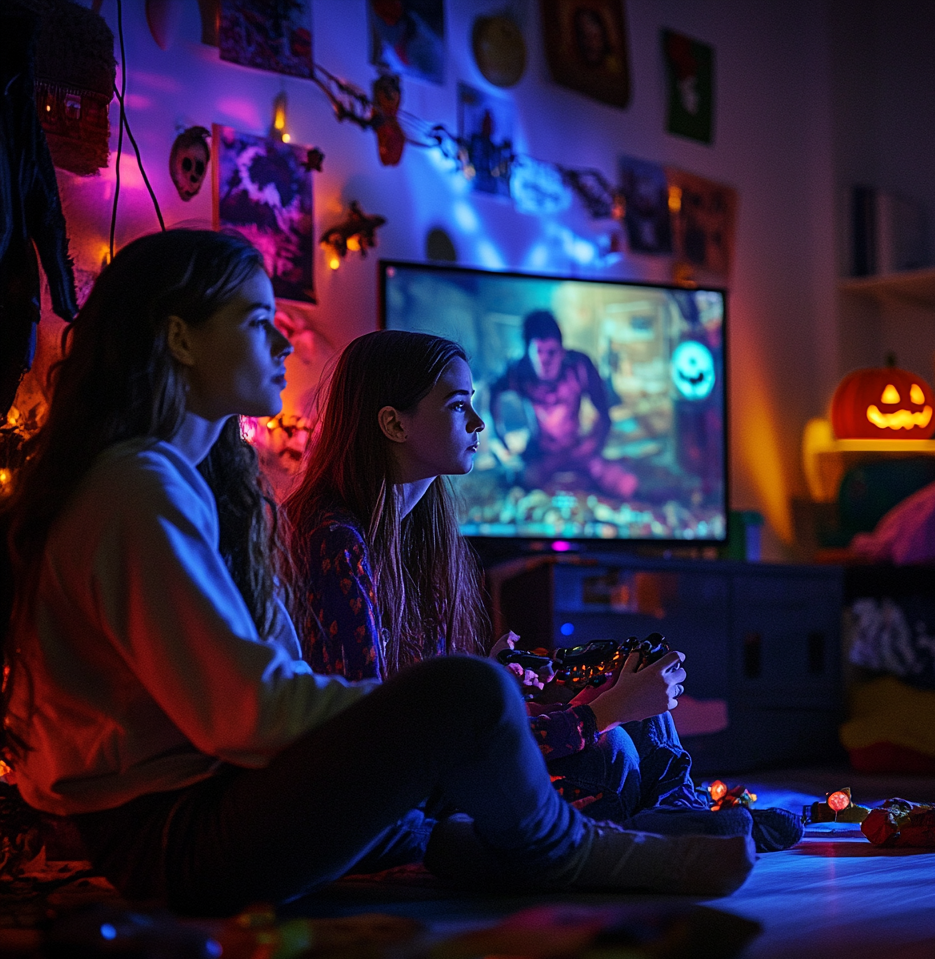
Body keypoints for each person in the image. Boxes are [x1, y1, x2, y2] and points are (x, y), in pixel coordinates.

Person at [0, 230, 755, 915]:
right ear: (180, 339)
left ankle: (491, 843)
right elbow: (247, 712)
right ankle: (574, 851)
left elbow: (263, 689)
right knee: (470, 694)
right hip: (173, 837)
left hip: (209, 806)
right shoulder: (139, 486)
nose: (283, 345)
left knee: (481, 710)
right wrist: (430, 722)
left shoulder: (191, 482)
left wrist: (434, 729)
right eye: (257, 323)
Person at [287, 329, 802, 857]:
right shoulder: (335, 542)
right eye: (459, 405)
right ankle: (652, 827)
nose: (478, 423)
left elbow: (421, 691)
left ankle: (676, 811)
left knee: (632, 672)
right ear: (394, 422)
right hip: (403, 793)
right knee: (611, 748)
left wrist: (494, 676)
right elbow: (385, 741)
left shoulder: (420, 532)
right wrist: (598, 716)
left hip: (437, 762)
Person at [488, 310, 638, 498]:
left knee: (626, 484)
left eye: (551, 352)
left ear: (562, 351)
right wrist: (499, 440)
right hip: (540, 454)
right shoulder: (519, 371)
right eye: (539, 352)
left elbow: (604, 413)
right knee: (521, 482)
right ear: (528, 353)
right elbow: (492, 393)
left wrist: (593, 445)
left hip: (578, 449)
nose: (546, 360)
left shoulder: (579, 367)